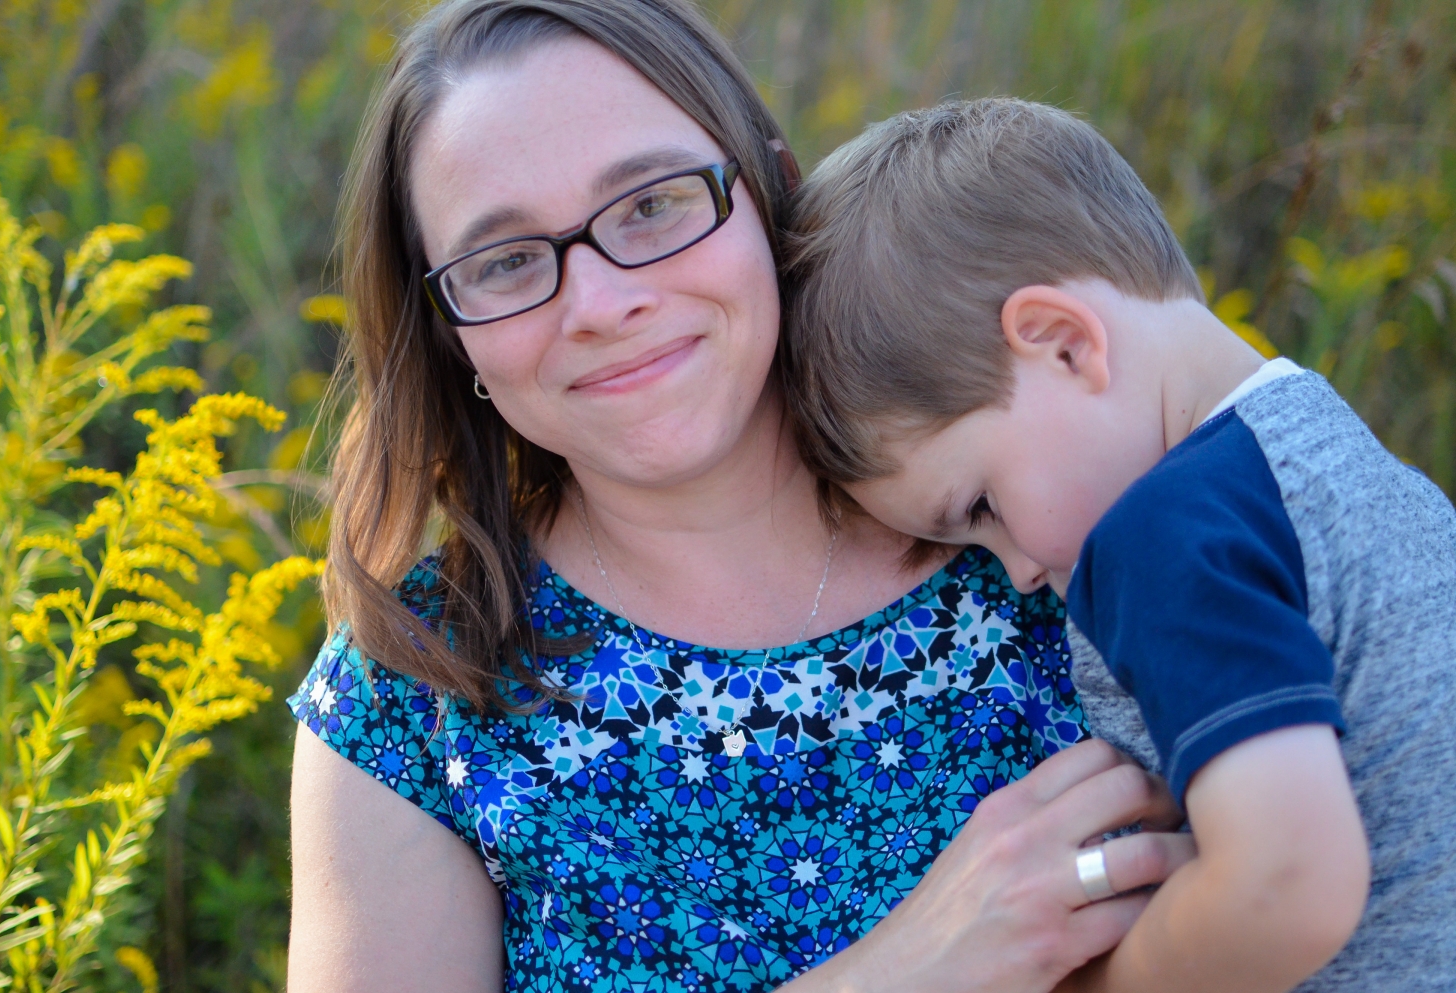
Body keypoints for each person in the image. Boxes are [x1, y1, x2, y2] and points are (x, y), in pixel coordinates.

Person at [284, 4, 1197, 992]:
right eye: (505, 262)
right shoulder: (415, 690)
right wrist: (899, 972)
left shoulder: (1045, 508)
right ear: (449, 328)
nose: (601, 305)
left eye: (652, 204)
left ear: (769, 190)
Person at [783, 96, 1456, 993]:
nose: (1021, 572)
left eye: (981, 506)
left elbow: (1287, 883)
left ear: (1063, 344)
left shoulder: (1164, 534)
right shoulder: (1338, 452)